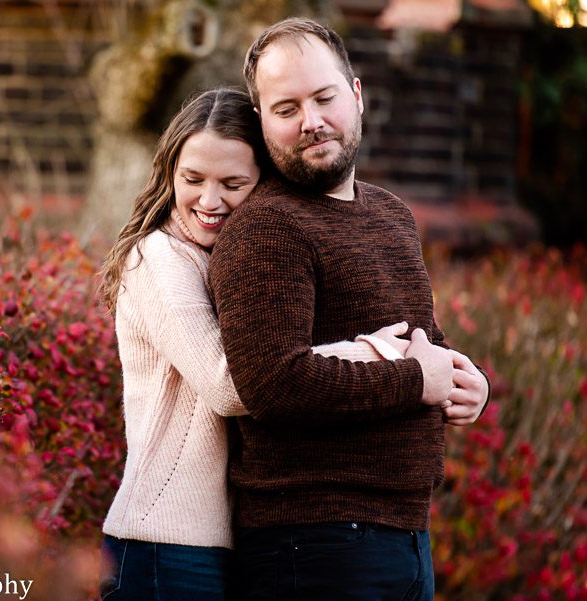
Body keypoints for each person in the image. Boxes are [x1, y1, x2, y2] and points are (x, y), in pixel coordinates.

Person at [208, 18, 491, 601]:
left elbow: (420, 343)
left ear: (356, 95)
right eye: (286, 109)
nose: (310, 121)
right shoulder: (268, 228)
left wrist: (468, 380)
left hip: (405, 532)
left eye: (324, 98)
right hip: (312, 542)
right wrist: (418, 382)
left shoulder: (391, 214)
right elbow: (272, 384)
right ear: (262, 121)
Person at [97, 87, 415, 601]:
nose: (209, 200)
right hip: (165, 544)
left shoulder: (246, 257)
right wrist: (378, 352)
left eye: (233, 184)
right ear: (170, 173)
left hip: (232, 542)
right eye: (192, 179)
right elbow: (234, 383)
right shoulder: (159, 258)